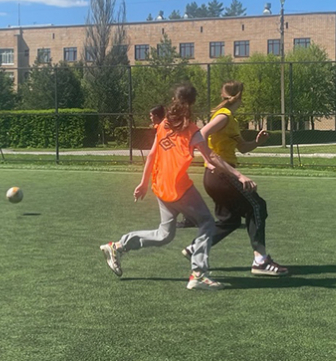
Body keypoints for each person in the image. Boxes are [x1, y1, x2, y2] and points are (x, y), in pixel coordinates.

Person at [100, 83, 255, 290]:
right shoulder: (191, 130)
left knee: (164, 235)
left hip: (160, 186)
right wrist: (239, 175)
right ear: (193, 103)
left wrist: (144, 183)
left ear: (174, 100)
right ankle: (199, 274)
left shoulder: (163, 124)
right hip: (178, 188)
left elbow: (152, 155)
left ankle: (118, 246)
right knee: (207, 223)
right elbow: (212, 155)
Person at [180, 81, 288, 276]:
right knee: (257, 206)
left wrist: (257, 142)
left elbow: (243, 148)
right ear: (239, 96)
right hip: (222, 175)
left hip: (215, 177)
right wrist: (217, 164)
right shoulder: (224, 116)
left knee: (230, 220)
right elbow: (200, 135)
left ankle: (196, 247)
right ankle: (260, 261)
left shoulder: (230, 119)